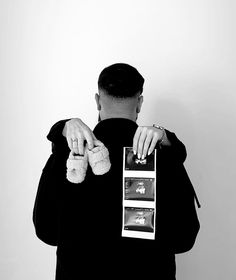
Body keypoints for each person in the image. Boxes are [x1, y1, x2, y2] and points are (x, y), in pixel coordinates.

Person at [33, 63, 200, 279]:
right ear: (139, 102)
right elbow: (184, 238)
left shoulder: (71, 154)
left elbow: (46, 230)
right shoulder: (164, 155)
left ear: (97, 100)